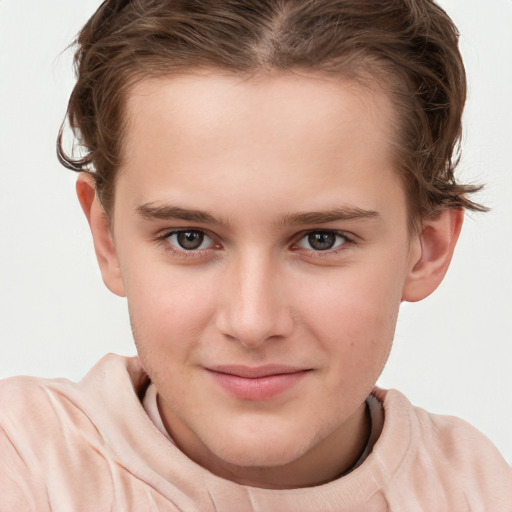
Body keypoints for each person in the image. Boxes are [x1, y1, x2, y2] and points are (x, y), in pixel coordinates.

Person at [1, 0, 511, 510]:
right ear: (107, 239)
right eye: (190, 238)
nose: (252, 322)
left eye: (321, 239)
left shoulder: (477, 489)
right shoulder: (23, 460)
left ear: (426, 249)